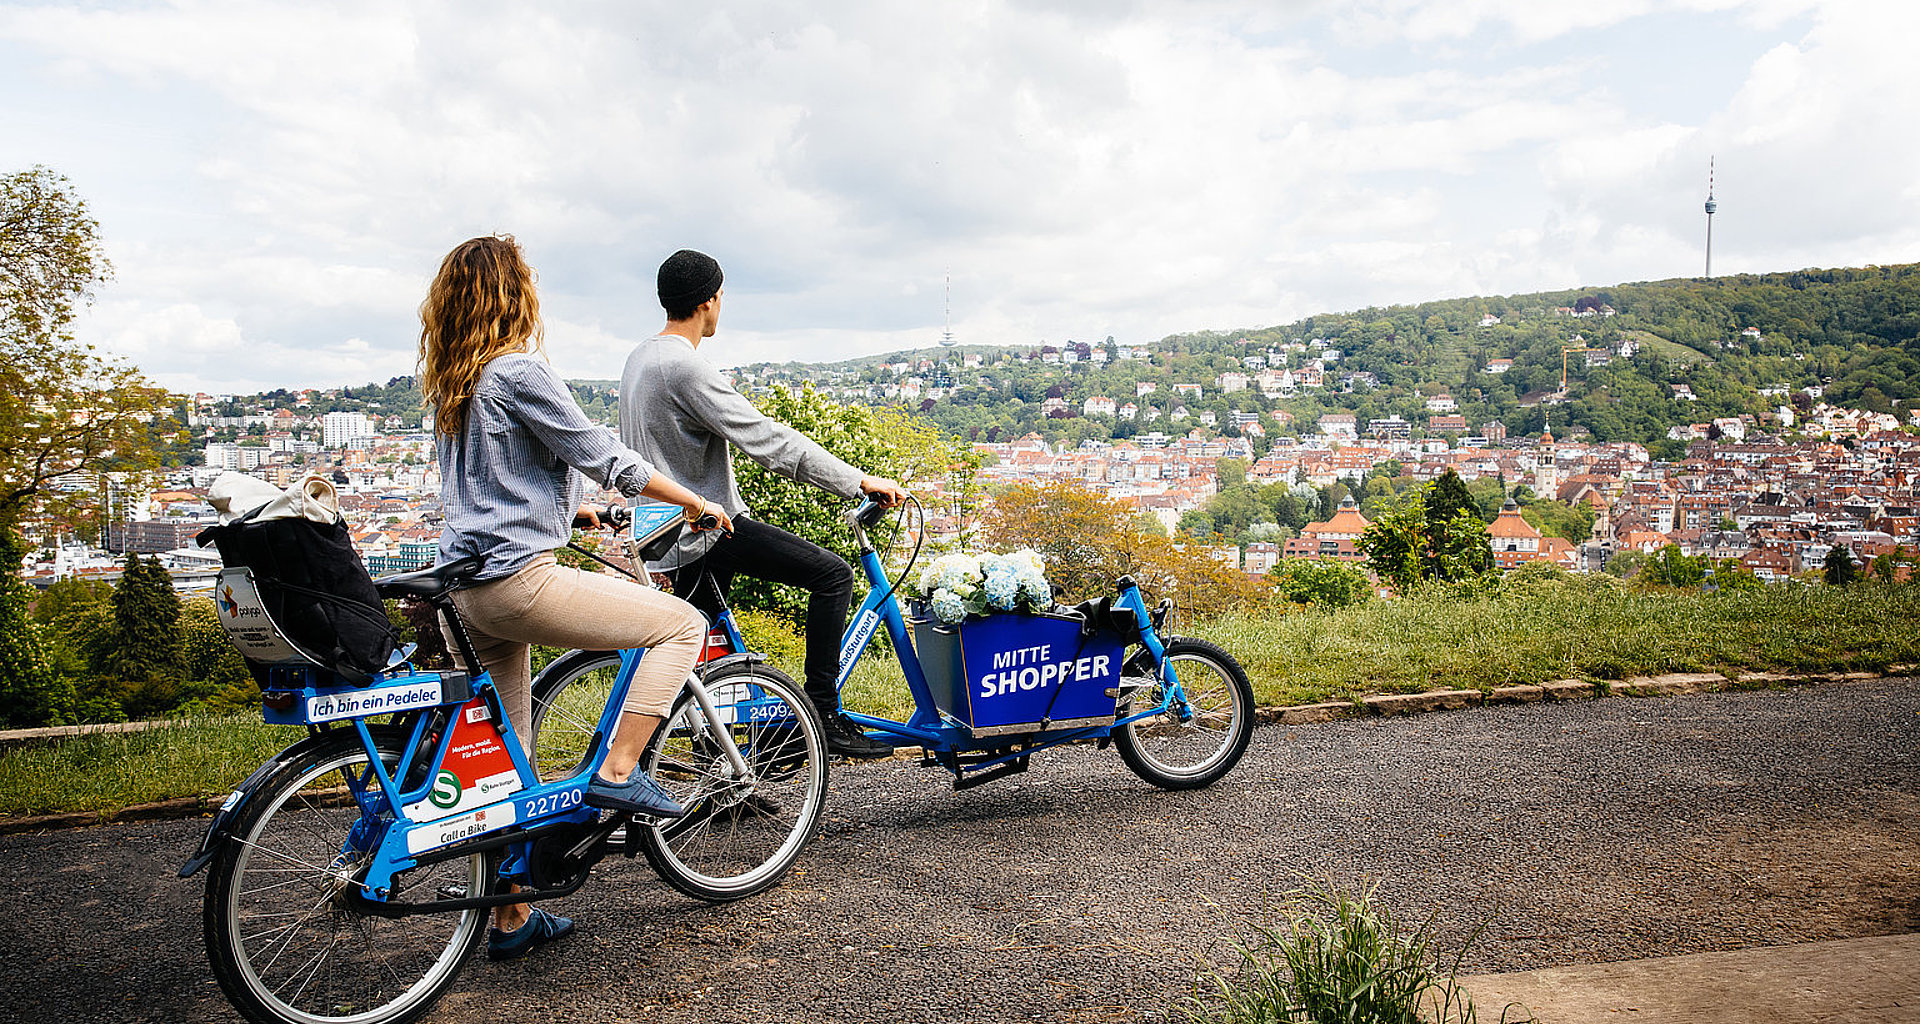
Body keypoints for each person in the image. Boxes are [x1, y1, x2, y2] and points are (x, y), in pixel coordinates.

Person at [421, 235, 734, 961]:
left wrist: (570, 514)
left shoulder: (457, 382)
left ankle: (510, 919)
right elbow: (602, 454)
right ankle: (619, 773)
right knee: (679, 626)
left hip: (465, 590)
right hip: (516, 584)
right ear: (515, 297)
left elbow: (495, 487)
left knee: (510, 758)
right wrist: (691, 499)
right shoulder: (519, 370)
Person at [620, 249, 905, 758]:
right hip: (705, 531)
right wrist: (856, 481)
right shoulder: (685, 368)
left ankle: (726, 775)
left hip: (663, 533)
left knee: (693, 664)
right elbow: (769, 440)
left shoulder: (640, 358)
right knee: (833, 575)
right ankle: (823, 716)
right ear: (710, 301)